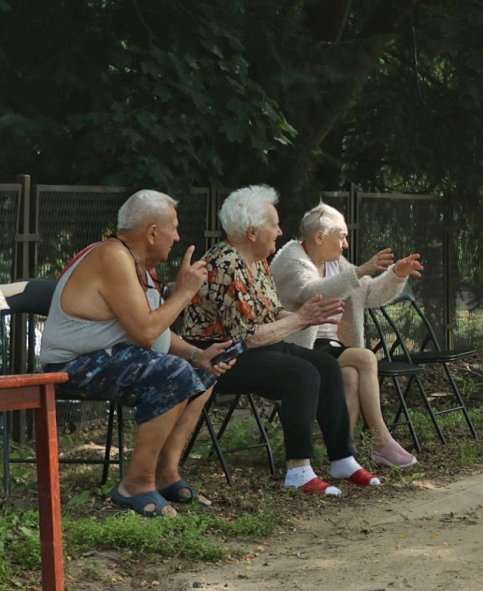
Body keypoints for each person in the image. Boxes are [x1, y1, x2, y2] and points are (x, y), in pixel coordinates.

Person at [39, 190, 237, 517]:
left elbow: (155, 330)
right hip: (70, 365)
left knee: (201, 374)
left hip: (109, 359)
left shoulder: (139, 265)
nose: (177, 237)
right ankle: (137, 483)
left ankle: (165, 473)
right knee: (173, 373)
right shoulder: (112, 256)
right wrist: (185, 292)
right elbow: (146, 333)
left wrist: (197, 354)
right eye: (173, 228)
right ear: (152, 232)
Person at [182, 185, 380, 495]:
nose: (279, 231)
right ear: (252, 232)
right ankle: (298, 470)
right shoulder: (226, 265)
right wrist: (301, 319)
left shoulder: (257, 261)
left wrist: (307, 315)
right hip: (219, 357)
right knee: (302, 374)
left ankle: (342, 458)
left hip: (251, 348)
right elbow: (248, 338)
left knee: (325, 365)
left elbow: (271, 314)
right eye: (273, 224)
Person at [270, 203, 424, 468]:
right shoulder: (291, 259)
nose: (345, 244)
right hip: (296, 348)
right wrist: (361, 270)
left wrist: (395, 276)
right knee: (364, 358)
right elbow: (313, 293)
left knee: (351, 376)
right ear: (319, 236)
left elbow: (369, 294)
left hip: (329, 348)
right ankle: (381, 440)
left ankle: (344, 456)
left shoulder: (336, 263)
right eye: (341, 236)